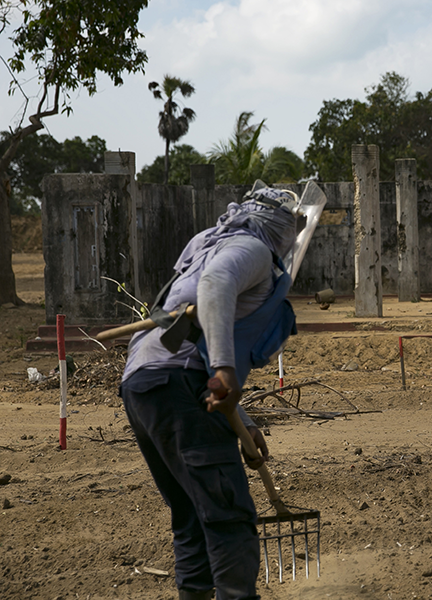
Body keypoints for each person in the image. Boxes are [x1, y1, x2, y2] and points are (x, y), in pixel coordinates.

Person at [119, 182, 303, 600]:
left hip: (144, 382)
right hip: (181, 381)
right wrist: (223, 372)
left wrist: (246, 419)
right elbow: (216, 286)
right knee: (229, 515)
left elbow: (203, 324)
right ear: (278, 226)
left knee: (191, 512)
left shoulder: (211, 244)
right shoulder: (251, 248)